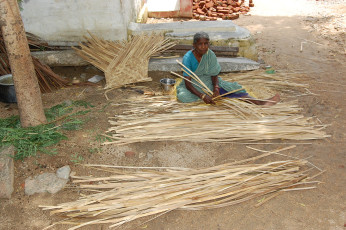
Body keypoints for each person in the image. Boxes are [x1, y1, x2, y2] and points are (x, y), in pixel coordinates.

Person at [176, 32, 280, 106]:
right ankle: (215, 96)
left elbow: (214, 74)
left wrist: (216, 88)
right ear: (194, 45)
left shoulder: (210, 54)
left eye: (206, 43)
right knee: (183, 97)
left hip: (209, 82)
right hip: (195, 84)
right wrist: (202, 96)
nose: (203, 47)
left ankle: (259, 102)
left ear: (209, 44)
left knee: (232, 89)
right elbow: (187, 83)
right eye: (200, 44)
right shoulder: (188, 58)